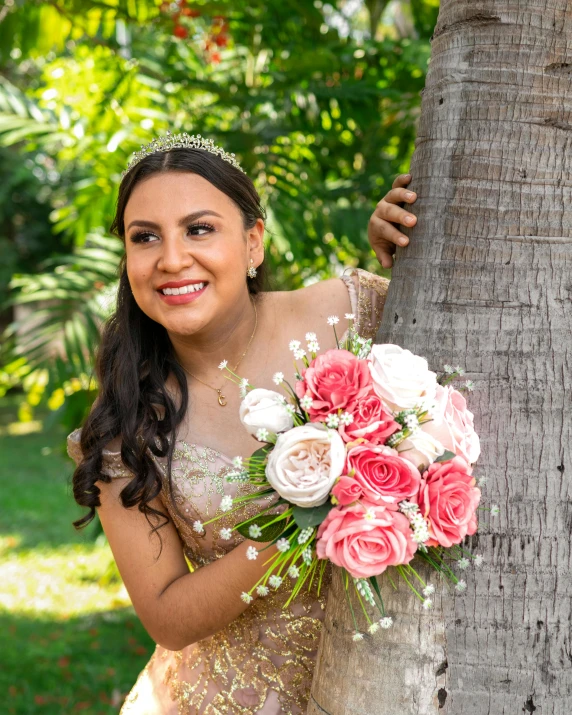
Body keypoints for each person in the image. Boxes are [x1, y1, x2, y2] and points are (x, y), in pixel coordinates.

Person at [67, 133, 418, 714]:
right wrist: (310, 517)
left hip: (397, 678)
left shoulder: (353, 312)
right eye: (145, 237)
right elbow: (168, 619)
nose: (172, 259)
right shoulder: (124, 425)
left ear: (253, 242)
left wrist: (408, 256)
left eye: (199, 228)